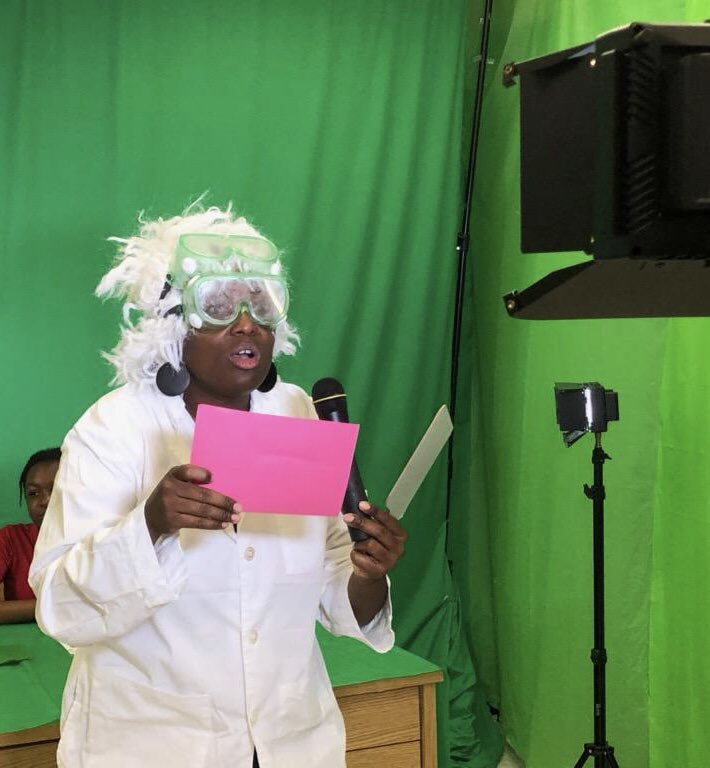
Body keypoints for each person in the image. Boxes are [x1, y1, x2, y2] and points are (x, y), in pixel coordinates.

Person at [29, 204, 407, 768]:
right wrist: (152, 525)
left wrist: (368, 571)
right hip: (153, 746)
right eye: (220, 305)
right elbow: (60, 606)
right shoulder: (112, 429)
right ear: (173, 322)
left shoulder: (297, 413)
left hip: (289, 743)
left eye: (261, 303)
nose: (248, 323)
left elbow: (335, 587)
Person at [0, 448, 60, 624]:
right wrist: (60, 608)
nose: (45, 500)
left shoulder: (100, 539)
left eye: (56, 489)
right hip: (25, 649)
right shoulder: (11, 539)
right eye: (33, 493)